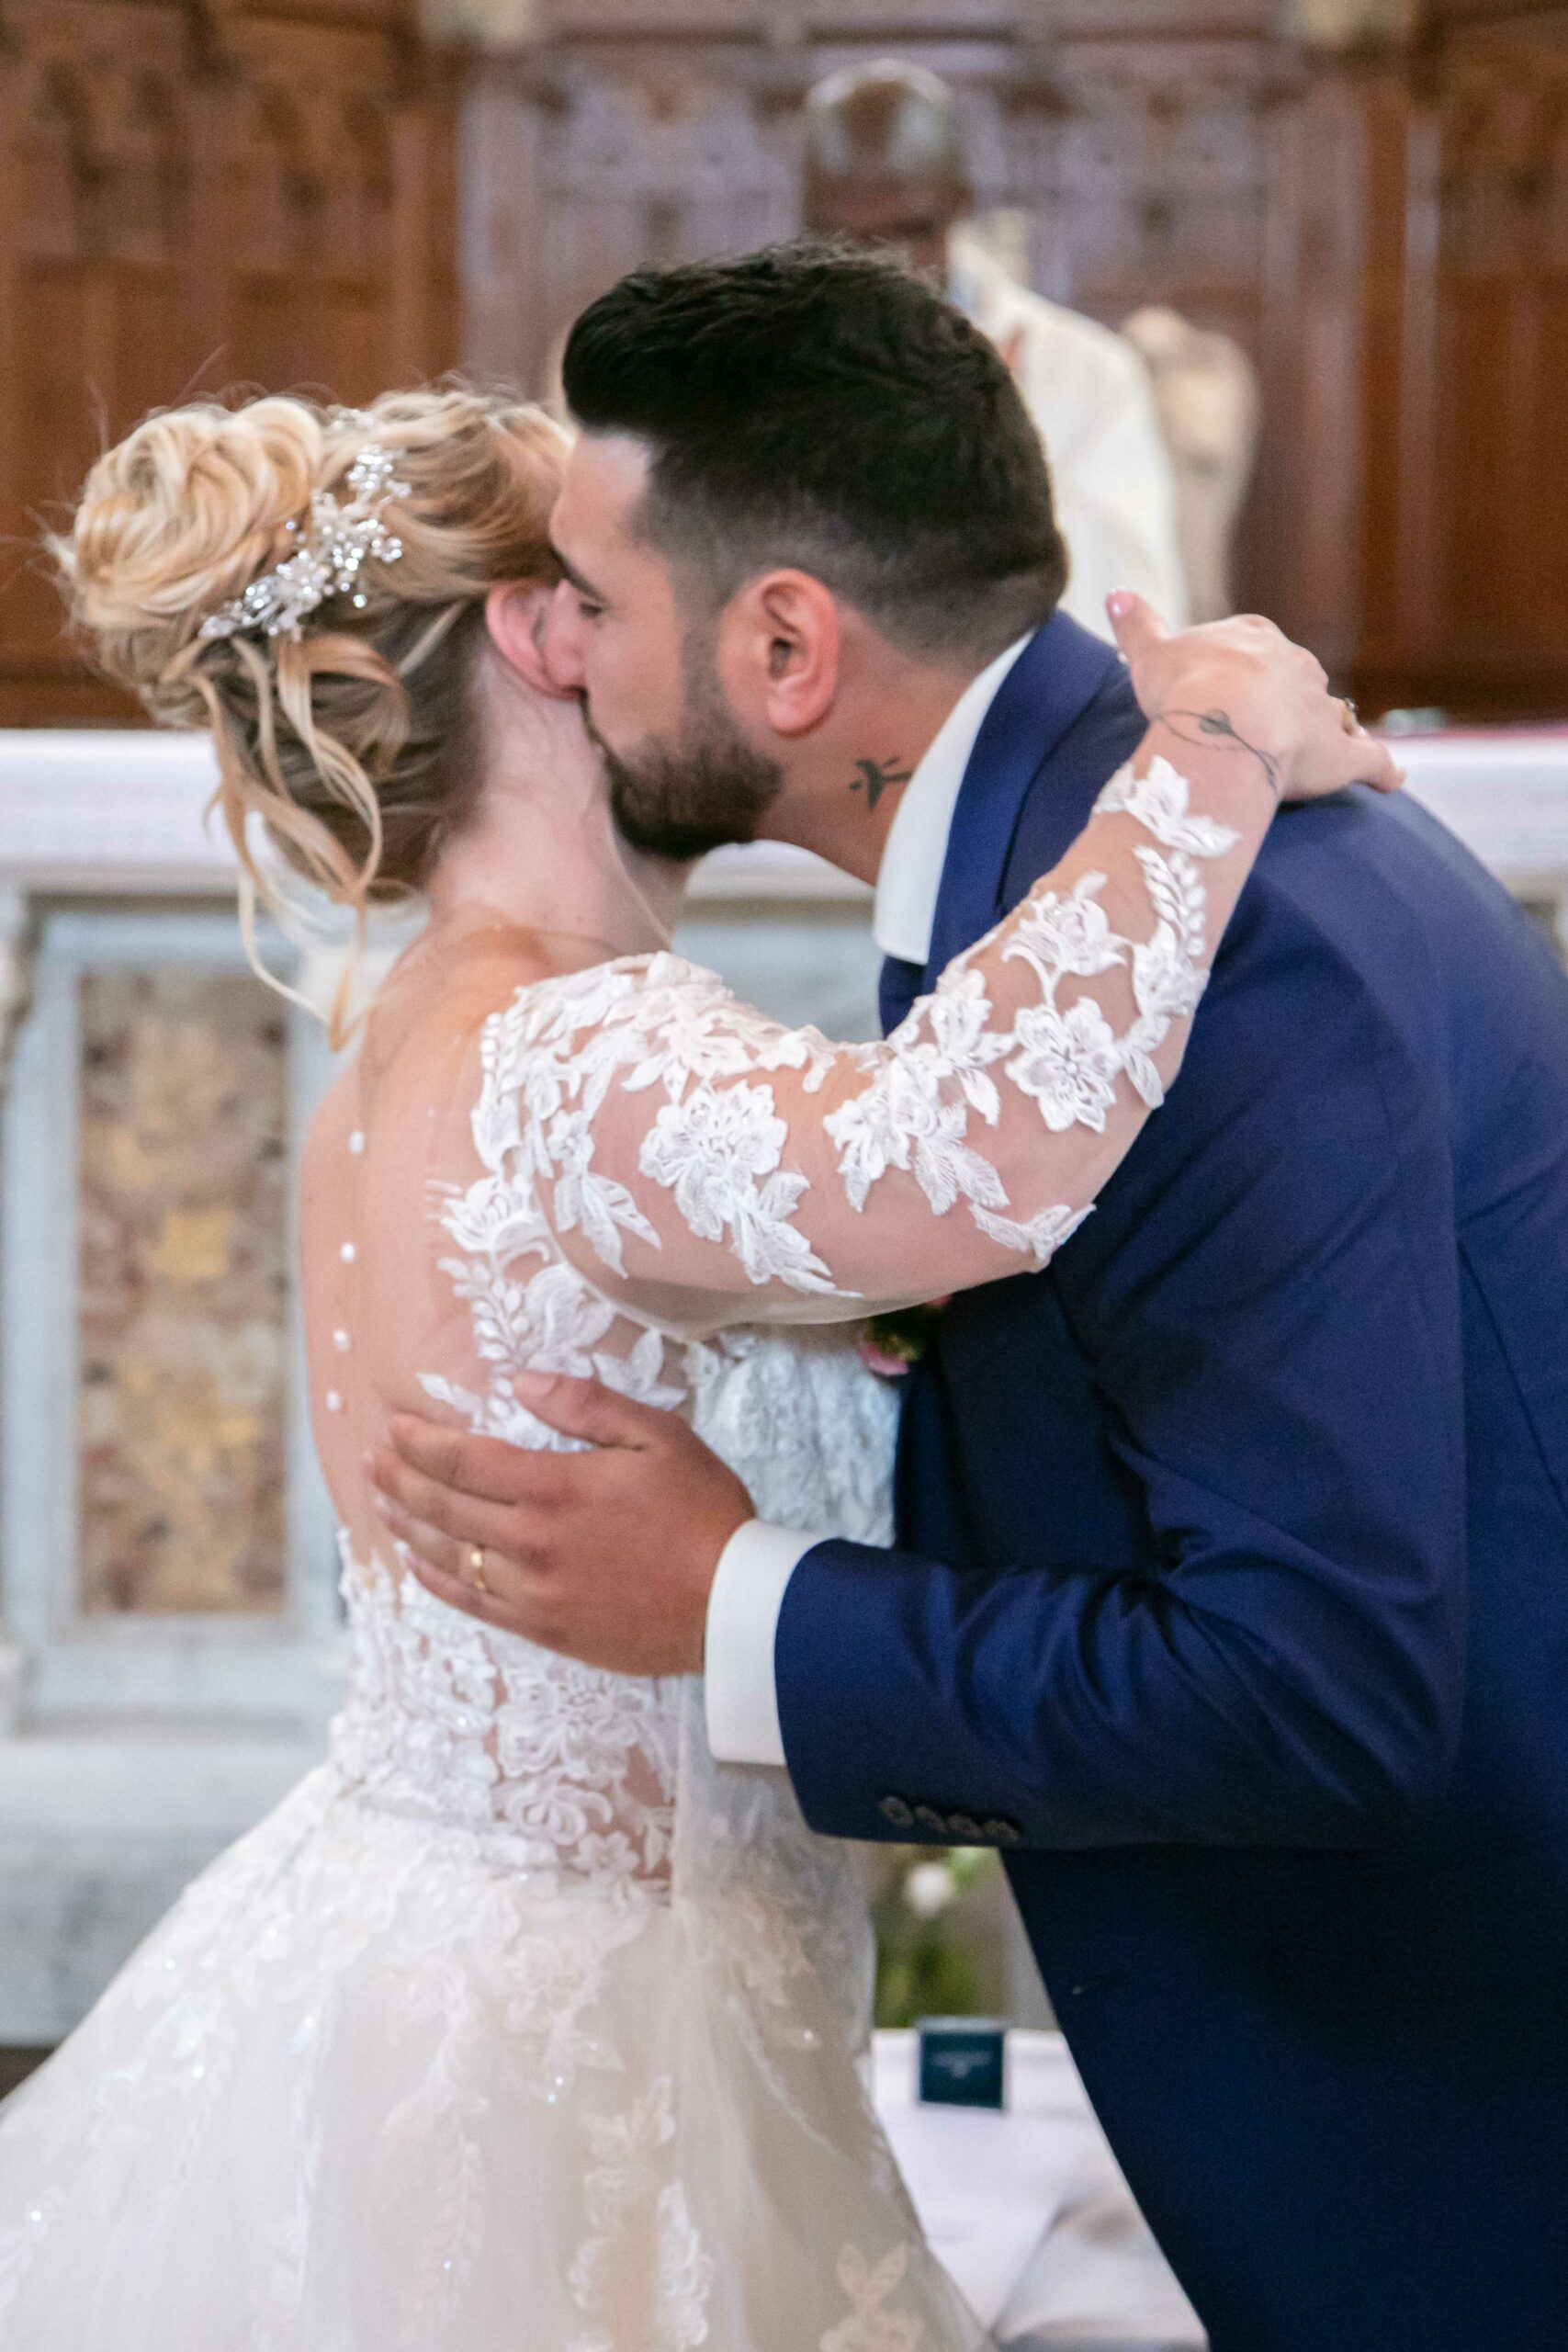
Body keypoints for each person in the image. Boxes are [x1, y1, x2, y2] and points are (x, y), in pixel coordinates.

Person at [0, 344, 1366, 2339]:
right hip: (594, 2035)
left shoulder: (408, 1039)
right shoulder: (581, 1049)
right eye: (632, 590)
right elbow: (975, 1151)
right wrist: (1219, 744)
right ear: (542, 633)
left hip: (399, 1939)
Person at [375, 241, 1568, 2352]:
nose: (554, 644)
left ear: (782, 644)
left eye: (593, 594)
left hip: (1454, 2106)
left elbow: (1312, 1683)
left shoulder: (1216, 960)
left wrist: (729, 1601)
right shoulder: (1108, 875)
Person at [803, 59, 1189, 636]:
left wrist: (992, 457)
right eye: (847, 237)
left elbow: (1137, 614)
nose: (881, 264)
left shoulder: (1085, 371)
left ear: (960, 202)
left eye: (911, 231)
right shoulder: (765, 365)